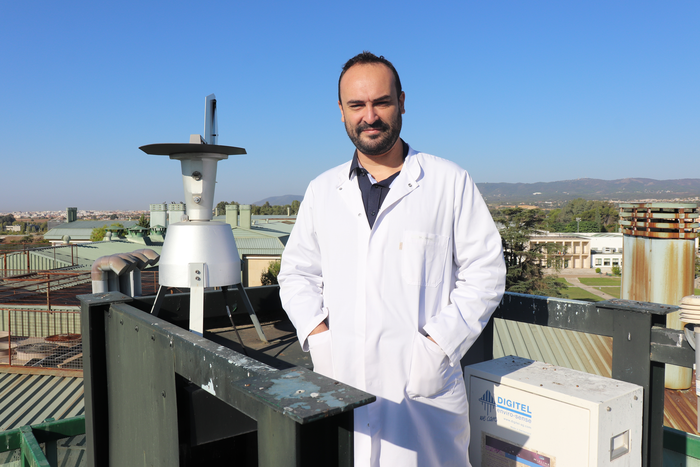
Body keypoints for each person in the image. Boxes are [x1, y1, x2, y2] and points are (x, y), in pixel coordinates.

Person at [278, 51, 506, 467]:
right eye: (357, 105)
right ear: (341, 112)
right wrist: (319, 337)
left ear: (402, 101)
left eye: (381, 102)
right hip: (341, 378)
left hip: (423, 390)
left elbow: (486, 274)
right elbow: (296, 274)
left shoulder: (447, 181)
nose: (370, 116)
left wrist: (437, 346)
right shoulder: (322, 190)